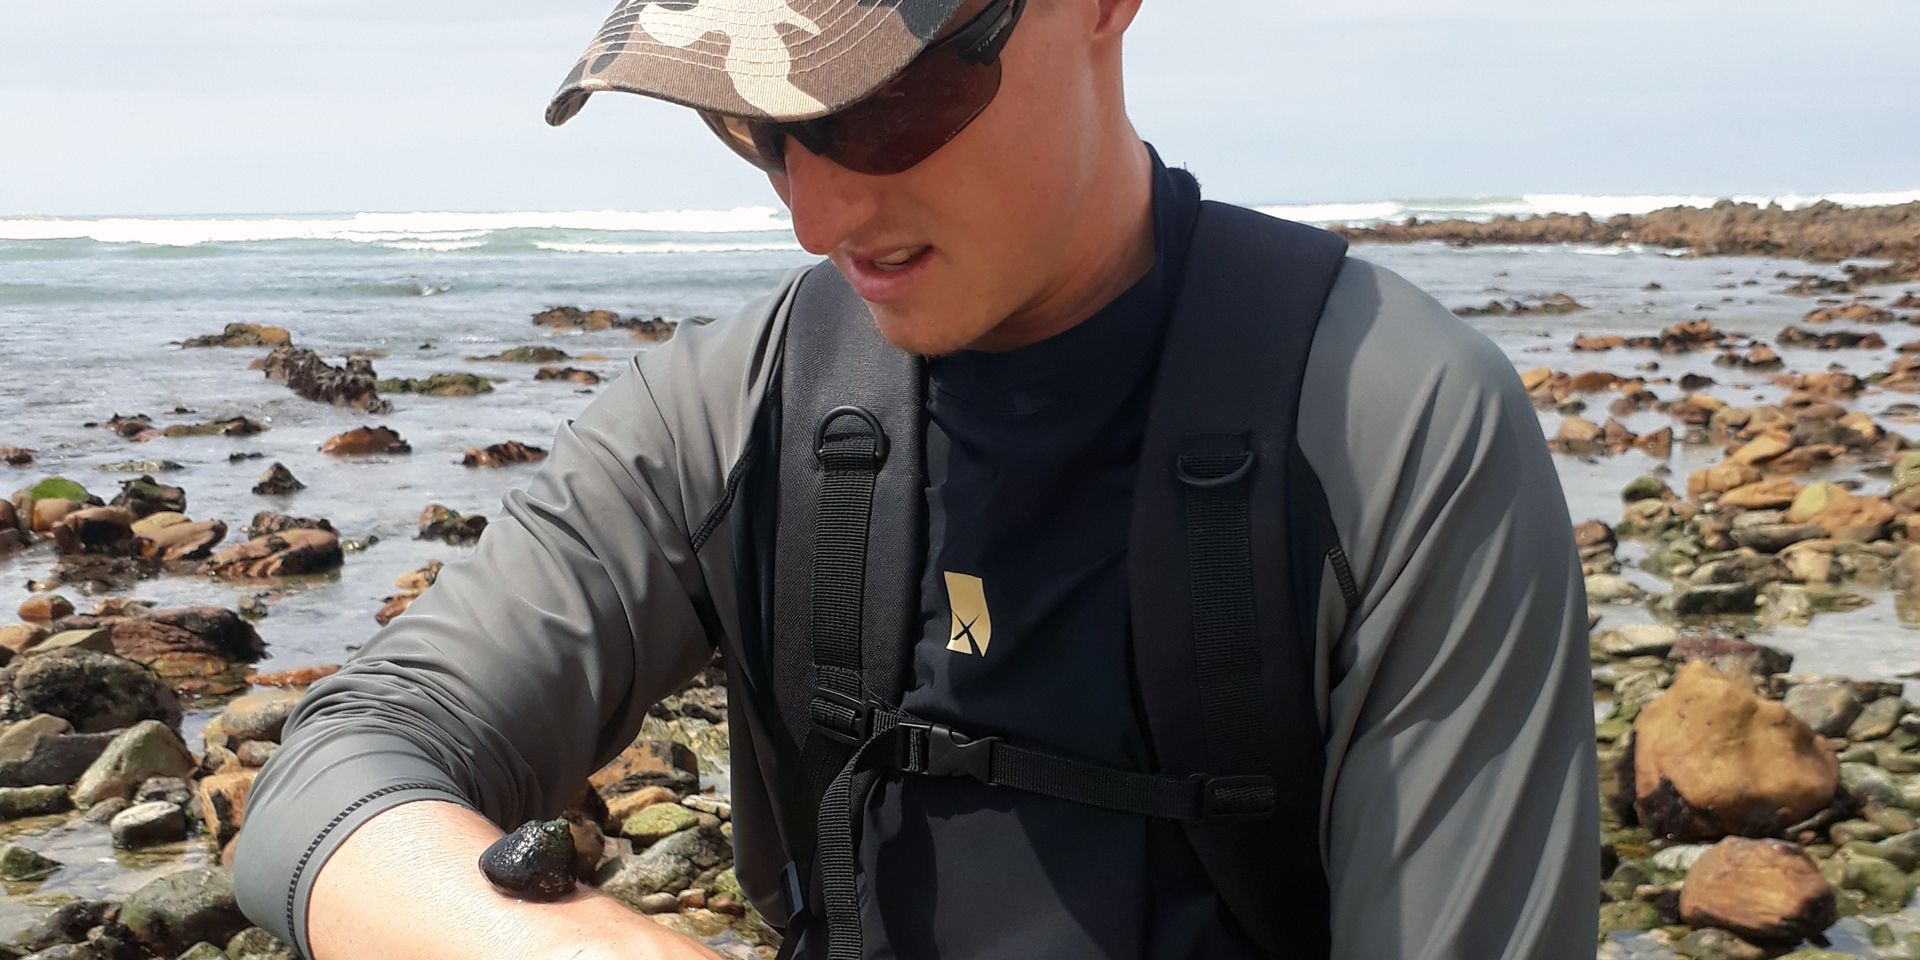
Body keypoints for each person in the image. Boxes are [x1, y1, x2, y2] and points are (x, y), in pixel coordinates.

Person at [232, 0, 1600, 958]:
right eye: (754, 125)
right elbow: (338, 770)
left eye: (884, 102)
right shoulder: (730, 412)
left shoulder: (1393, 428)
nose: (816, 215)